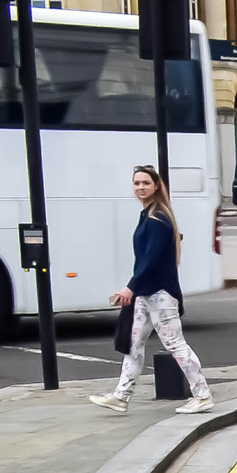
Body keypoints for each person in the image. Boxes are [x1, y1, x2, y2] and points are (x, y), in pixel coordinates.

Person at [90, 165, 213, 415]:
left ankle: (202, 395)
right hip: (146, 294)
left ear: (156, 186)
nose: (140, 187)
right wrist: (135, 290)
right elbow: (147, 259)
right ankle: (121, 396)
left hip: (160, 293)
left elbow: (152, 259)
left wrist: (129, 287)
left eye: (146, 183)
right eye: (136, 183)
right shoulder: (148, 214)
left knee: (175, 344)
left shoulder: (158, 218)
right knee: (133, 344)